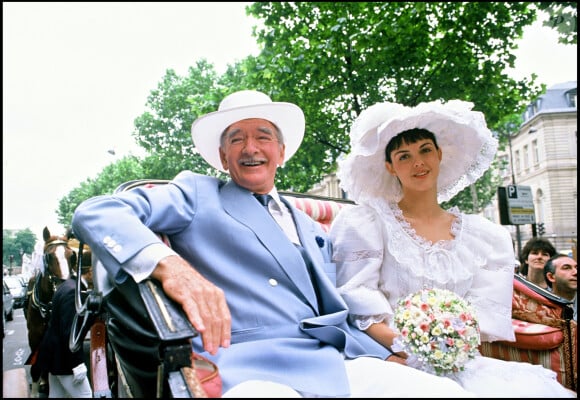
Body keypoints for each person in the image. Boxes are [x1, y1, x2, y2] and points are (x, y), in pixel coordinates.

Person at [71, 90, 472, 397]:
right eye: (236, 139)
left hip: (337, 359)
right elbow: (95, 213)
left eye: (263, 136)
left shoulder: (314, 228)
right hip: (247, 367)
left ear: (280, 152)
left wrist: (387, 352)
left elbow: (340, 310)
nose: (250, 148)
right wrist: (169, 265)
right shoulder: (195, 193)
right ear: (222, 156)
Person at [329, 99, 576, 397]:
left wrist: (447, 349)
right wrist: (412, 349)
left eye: (425, 150)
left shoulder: (483, 236)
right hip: (392, 359)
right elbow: (360, 299)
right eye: (404, 156)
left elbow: (481, 317)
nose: (418, 162)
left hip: (461, 362)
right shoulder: (368, 223)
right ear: (390, 166)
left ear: (439, 154)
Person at [35, 261, 94, 398]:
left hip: (53, 356)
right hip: (63, 358)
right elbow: (69, 332)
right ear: (90, 272)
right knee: (86, 395)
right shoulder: (73, 292)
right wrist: (77, 363)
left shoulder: (66, 285)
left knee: (56, 396)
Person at [544, 253, 577, 320]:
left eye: (577, 268)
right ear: (551, 277)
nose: (576, 272)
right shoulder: (541, 307)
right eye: (566, 268)